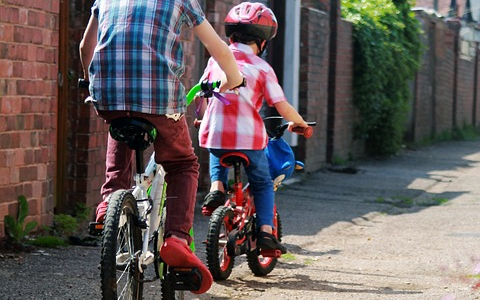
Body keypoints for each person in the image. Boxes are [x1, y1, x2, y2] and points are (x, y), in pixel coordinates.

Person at [79, 0, 244, 294]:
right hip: (159, 99)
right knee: (183, 164)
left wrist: (95, 83)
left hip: (107, 94)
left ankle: (109, 202)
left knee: (119, 121)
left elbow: (84, 47)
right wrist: (234, 78)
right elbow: (217, 47)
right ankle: (178, 238)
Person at [196, 2, 308, 253]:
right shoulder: (263, 68)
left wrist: (202, 117)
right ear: (263, 42)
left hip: (215, 132)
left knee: (218, 150)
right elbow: (280, 105)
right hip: (249, 140)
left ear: (232, 36)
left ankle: (217, 188)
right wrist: (299, 122)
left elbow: (202, 95)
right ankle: (266, 232)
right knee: (262, 183)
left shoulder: (216, 61)